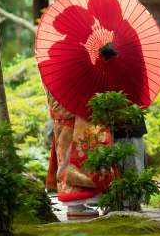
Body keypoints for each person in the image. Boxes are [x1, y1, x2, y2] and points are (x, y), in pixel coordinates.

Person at [45, 88, 111, 220]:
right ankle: (77, 207)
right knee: (78, 162)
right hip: (77, 117)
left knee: (65, 162)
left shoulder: (53, 73)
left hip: (61, 119)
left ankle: (74, 208)